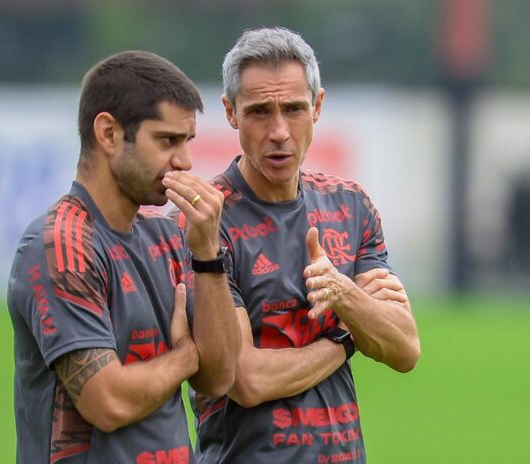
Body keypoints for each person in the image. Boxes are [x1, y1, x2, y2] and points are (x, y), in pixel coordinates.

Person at [177, 27, 421, 463]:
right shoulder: (204, 222)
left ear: (317, 106)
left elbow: (404, 347)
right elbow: (246, 378)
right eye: (259, 112)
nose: (279, 132)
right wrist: (348, 335)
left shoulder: (350, 205)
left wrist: (343, 294)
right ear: (231, 112)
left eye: (293, 109)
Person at [7, 50, 241, 464]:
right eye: (167, 140)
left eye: (186, 142)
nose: (184, 161)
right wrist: (187, 355)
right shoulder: (62, 244)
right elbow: (107, 402)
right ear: (109, 133)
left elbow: (219, 376)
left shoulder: (167, 236)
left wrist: (208, 253)